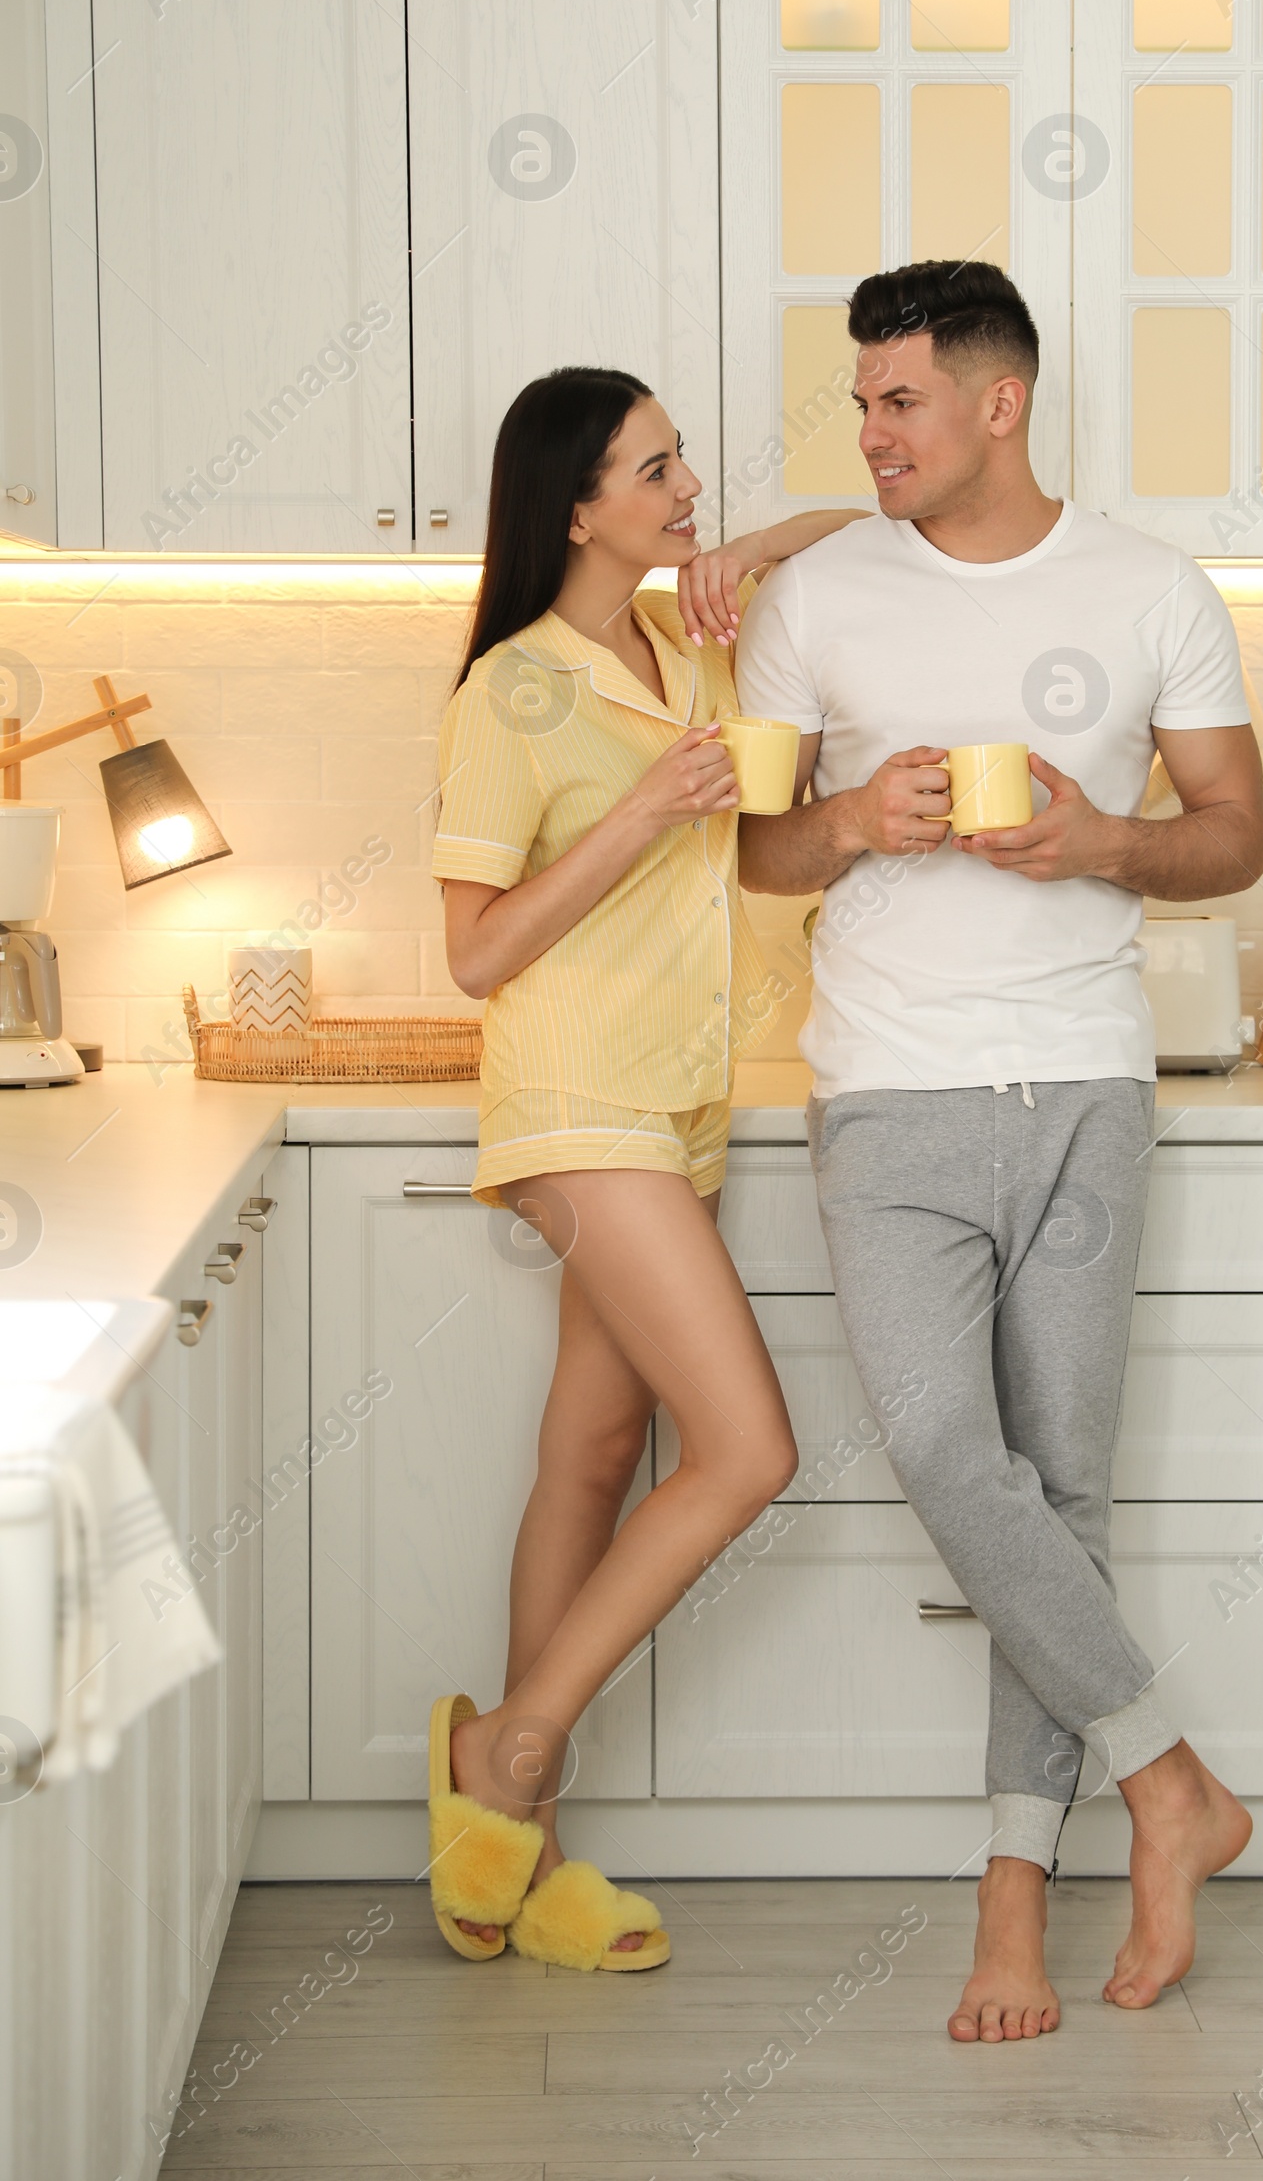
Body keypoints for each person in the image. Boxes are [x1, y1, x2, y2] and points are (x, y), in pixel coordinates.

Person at [735, 261, 1263, 2042]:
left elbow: (1238, 838)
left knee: (1062, 1494)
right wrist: (846, 819)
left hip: (1088, 1086)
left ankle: (1013, 1911)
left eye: (896, 401)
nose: (868, 432)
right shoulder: (814, 598)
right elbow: (757, 857)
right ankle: (1168, 1778)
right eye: (861, 401)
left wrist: (1108, 842)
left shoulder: (1152, 589)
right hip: (886, 1092)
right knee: (952, 1452)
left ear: (996, 402)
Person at [429, 364, 864, 1970]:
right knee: (748, 1448)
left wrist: (740, 549)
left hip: (679, 1103)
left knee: (597, 1450)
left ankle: (517, 1864)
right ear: (576, 505)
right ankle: (514, 1750)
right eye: (657, 469)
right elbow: (474, 955)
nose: (689, 488)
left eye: (686, 462)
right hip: (575, 1094)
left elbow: (852, 532)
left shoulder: (685, 642)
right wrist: (643, 815)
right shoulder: (511, 696)